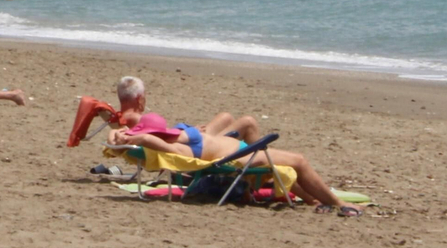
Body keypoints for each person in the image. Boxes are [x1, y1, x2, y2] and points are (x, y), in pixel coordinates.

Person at [107, 76, 354, 213]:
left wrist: (121, 136)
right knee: (298, 160)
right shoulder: (173, 147)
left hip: (234, 148)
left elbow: (126, 136)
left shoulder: (172, 137)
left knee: (247, 123)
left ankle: (313, 200)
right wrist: (135, 138)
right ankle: (339, 204)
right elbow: (149, 139)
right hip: (236, 159)